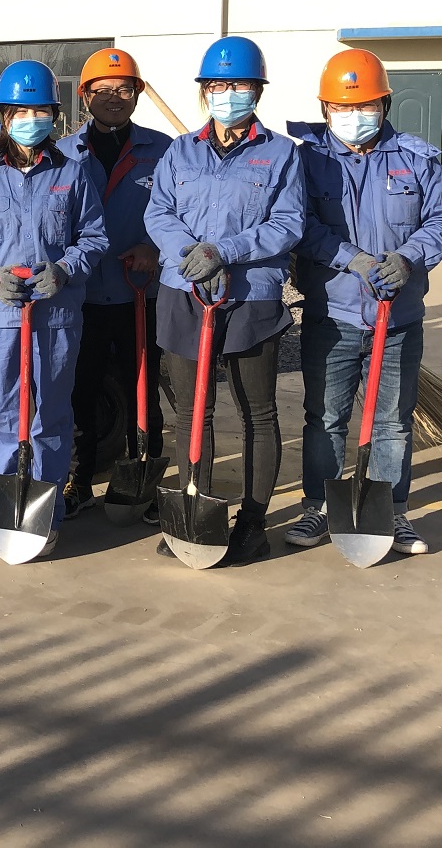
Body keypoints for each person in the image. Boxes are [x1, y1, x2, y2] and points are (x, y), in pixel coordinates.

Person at [286, 50, 442, 557]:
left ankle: (392, 511)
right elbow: (297, 225)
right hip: (333, 314)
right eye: (343, 107)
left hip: (398, 317)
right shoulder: (306, 161)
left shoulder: (416, 159)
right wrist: (351, 259)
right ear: (325, 108)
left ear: (385, 104)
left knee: (391, 421)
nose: (354, 115)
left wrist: (408, 258)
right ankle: (318, 507)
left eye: (365, 105)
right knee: (325, 418)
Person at [144, 36, 305, 567]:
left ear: (257, 91)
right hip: (184, 291)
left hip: (250, 295)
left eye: (238, 84)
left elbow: (288, 223)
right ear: (204, 91)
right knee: (193, 411)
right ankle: (195, 512)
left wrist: (225, 251)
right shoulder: (180, 151)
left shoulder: (280, 153)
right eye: (217, 85)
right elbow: (158, 212)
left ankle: (253, 524)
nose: (227, 93)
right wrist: (190, 252)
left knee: (257, 411)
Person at [0, 61, 109, 558]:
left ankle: (46, 515)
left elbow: (95, 237)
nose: (30, 120)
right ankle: (6, 509)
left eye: (40, 112)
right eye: (20, 112)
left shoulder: (72, 173)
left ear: (54, 116)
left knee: (50, 417)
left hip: (55, 318)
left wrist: (65, 269)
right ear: (3, 116)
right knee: (2, 414)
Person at [57, 48, 172, 520]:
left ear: (138, 94)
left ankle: (143, 477)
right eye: (102, 90)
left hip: (137, 292)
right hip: (80, 295)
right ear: (85, 96)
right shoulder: (63, 153)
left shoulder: (163, 151)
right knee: (78, 390)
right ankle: (78, 480)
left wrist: (155, 248)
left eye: (124, 89)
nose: (114, 98)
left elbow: (181, 213)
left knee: (141, 387)